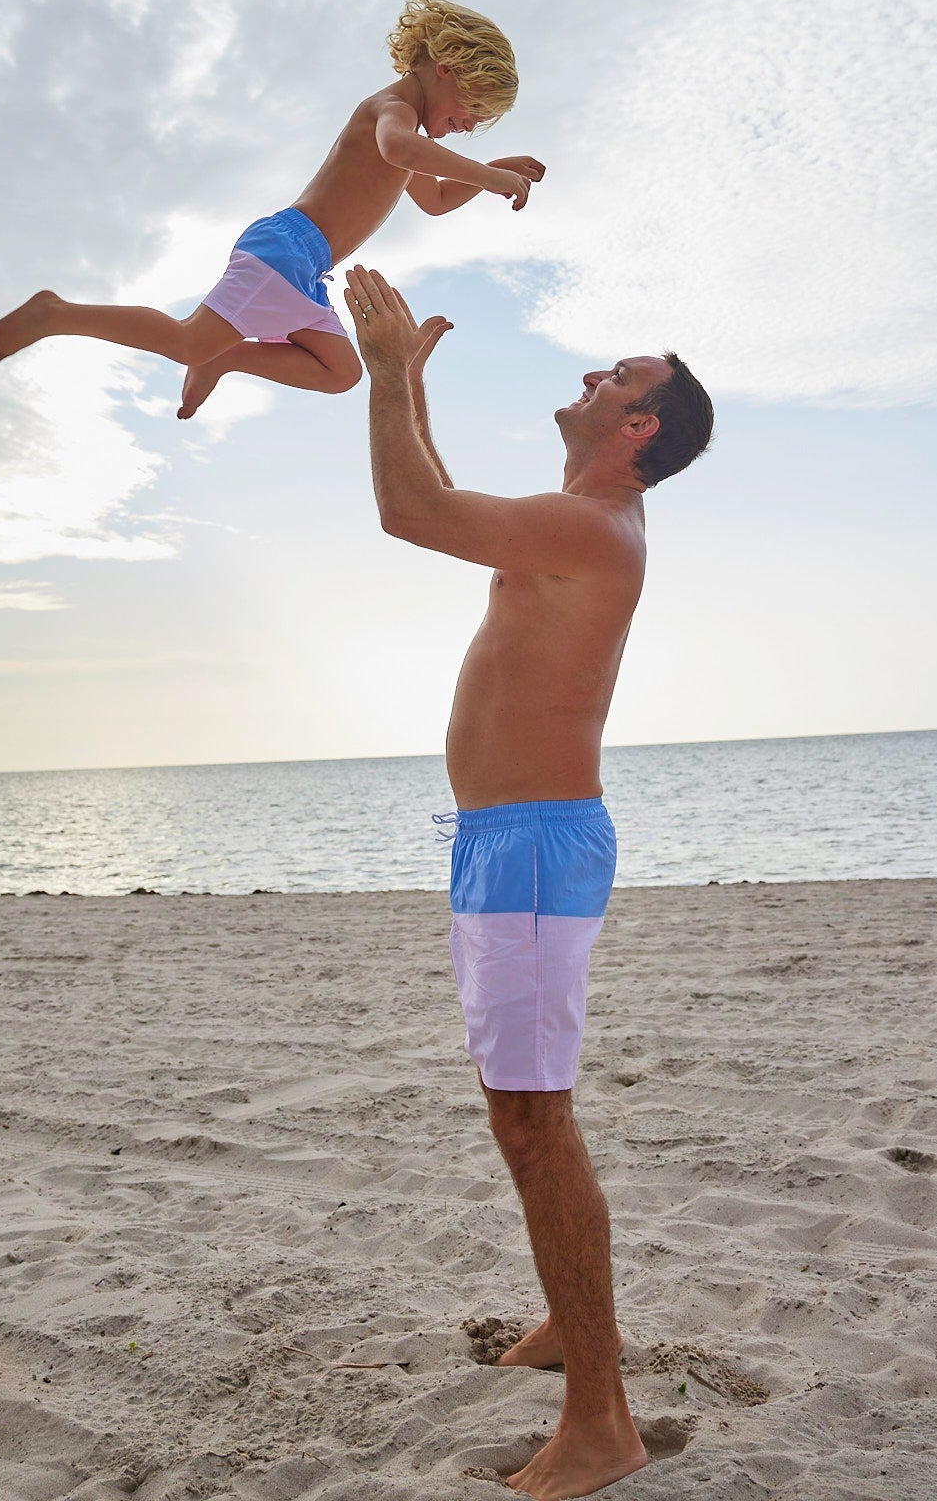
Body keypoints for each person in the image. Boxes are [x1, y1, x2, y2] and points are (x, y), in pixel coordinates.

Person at [343, 265, 714, 1501]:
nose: (588, 376)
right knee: (524, 1110)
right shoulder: (576, 521)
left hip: (537, 847)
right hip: (503, 841)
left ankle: (601, 1420)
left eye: (614, 375)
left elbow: (411, 512)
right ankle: (570, 1325)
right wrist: (406, 389)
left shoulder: (592, 527)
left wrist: (392, 375)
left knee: (531, 1117)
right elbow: (437, 499)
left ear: (638, 426)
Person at [0, 0, 543, 418]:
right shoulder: (390, 109)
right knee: (186, 340)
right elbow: (399, 148)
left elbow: (439, 200)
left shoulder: (421, 144)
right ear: (445, 69)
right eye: (472, 108)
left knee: (341, 373)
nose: (470, 125)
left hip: (306, 266)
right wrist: (491, 176)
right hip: (285, 247)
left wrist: (500, 167)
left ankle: (227, 357)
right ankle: (57, 314)